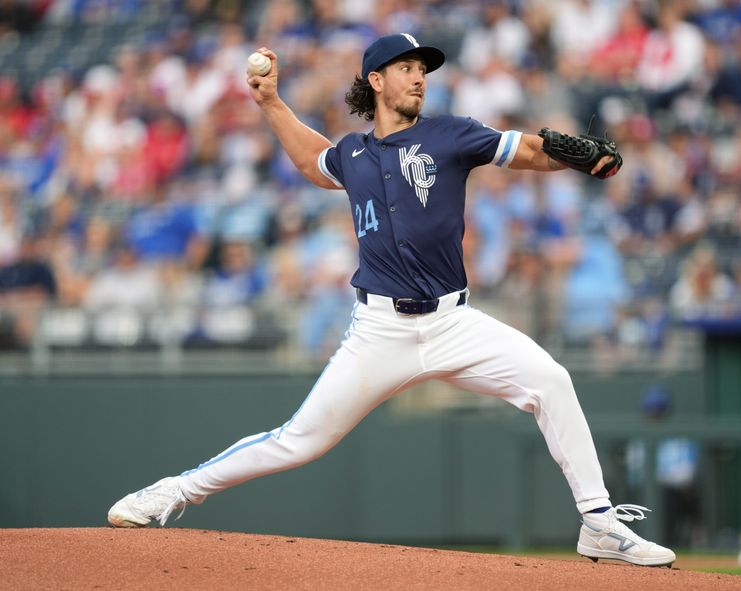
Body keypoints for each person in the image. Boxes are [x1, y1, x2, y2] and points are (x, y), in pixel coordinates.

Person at [108, 33, 675, 567]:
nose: (419, 78)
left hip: (455, 323)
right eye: (407, 68)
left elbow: (528, 150)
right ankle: (172, 492)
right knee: (298, 442)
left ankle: (598, 522)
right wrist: (272, 103)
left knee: (551, 380)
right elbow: (313, 162)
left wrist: (575, 157)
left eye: (422, 70)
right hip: (380, 332)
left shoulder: (450, 134)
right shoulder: (353, 155)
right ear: (376, 80)